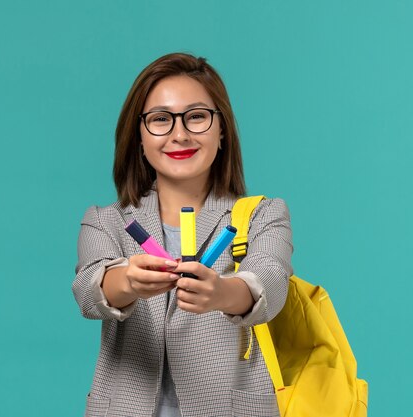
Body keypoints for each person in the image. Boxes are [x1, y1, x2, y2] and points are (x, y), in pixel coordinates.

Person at [72, 52, 293, 417]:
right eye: (161, 119)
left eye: (196, 117)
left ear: (221, 129)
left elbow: (269, 282)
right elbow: (88, 289)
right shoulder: (106, 220)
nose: (180, 134)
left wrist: (221, 291)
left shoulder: (263, 215)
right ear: (138, 137)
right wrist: (127, 280)